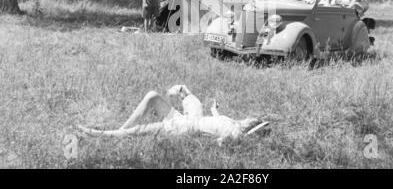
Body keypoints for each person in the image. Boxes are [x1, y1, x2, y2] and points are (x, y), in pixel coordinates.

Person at [78, 85, 269, 145]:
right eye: (254, 117)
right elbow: (215, 117)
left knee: (138, 131)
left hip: (185, 127)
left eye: (254, 121)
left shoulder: (236, 133)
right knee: (152, 95)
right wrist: (214, 108)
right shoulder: (232, 122)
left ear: (252, 128)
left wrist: (225, 139)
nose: (251, 117)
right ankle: (120, 130)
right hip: (185, 119)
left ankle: (100, 135)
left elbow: (219, 142)